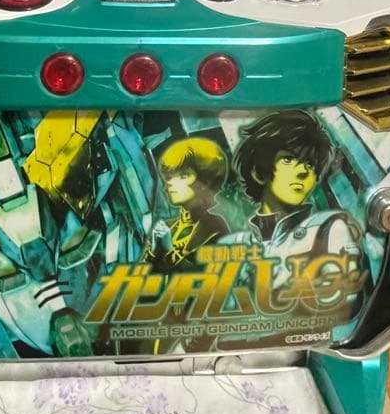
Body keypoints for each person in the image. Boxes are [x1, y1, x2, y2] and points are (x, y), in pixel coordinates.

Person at [227, 109, 367, 299]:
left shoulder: (328, 229)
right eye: (288, 159)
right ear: (259, 173)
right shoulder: (238, 245)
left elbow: (347, 302)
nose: (303, 171)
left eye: (311, 165)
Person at [147, 135, 228, 271]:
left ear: (205, 182)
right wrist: (154, 250)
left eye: (183, 175)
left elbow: (209, 277)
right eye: (168, 176)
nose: (170, 183)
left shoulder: (214, 227)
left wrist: (168, 249)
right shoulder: (168, 226)